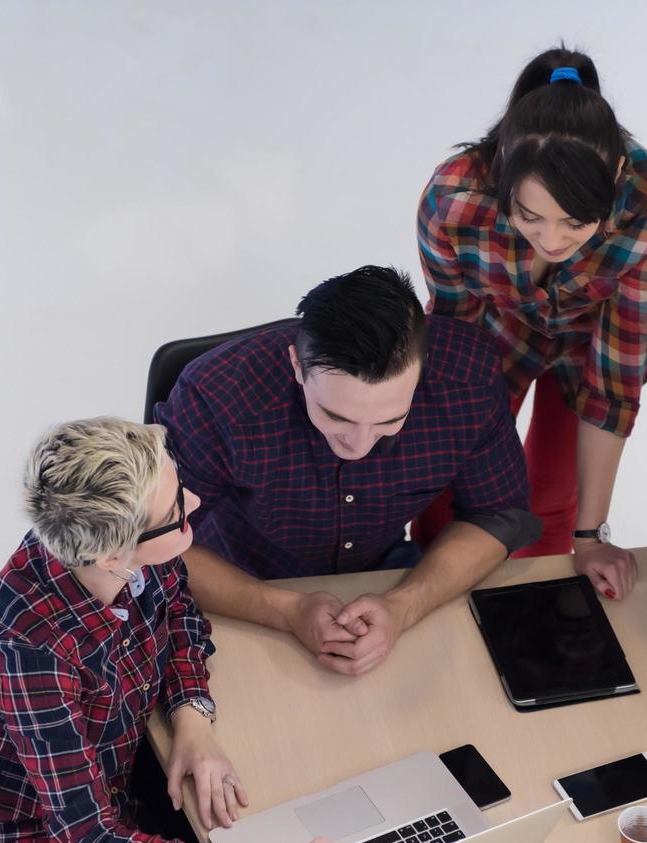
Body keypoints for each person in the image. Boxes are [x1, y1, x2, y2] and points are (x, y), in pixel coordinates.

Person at [0, 417, 367, 843]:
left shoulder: (126, 550)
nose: (193, 502)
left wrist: (192, 716)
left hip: (105, 797)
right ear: (112, 556)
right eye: (177, 508)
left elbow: (181, 617)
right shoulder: (27, 648)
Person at [153, 266, 539, 676]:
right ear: (298, 367)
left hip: (385, 577)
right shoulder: (218, 394)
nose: (359, 446)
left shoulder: (468, 374)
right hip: (239, 586)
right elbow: (154, 543)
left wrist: (405, 605)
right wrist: (285, 610)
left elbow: (497, 514)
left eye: (390, 421)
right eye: (337, 417)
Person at [416, 45, 647, 602]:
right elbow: (452, 348)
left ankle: (538, 614)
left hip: (593, 348)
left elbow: (616, 378)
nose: (554, 242)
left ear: (614, 175)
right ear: (504, 175)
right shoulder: (454, 200)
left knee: (552, 498)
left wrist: (590, 536)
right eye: (530, 217)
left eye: (577, 222)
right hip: (491, 337)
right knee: (444, 495)